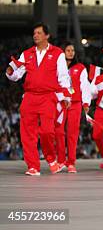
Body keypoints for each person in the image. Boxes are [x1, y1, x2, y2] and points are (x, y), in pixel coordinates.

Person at [5, 23, 72, 175]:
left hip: (48, 96)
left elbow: (63, 76)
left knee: (47, 131)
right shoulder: (26, 53)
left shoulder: (57, 53)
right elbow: (17, 75)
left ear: (47, 36)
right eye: (34, 33)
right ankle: (33, 166)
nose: (35, 35)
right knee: (27, 133)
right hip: (29, 96)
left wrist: (66, 96)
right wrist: (10, 72)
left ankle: (51, 158)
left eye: (39, 33)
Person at [55, 42, 91, 173]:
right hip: (61, 102)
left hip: (75, 103)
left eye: (72, 50)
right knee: (58, 131)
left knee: (72, 133)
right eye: (68, 50)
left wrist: (86, 103)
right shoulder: (57, 66)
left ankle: (71, 162)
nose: (71, 52)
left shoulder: (80, 67)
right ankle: (60, 160)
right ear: (62, 52)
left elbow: (85, 86)